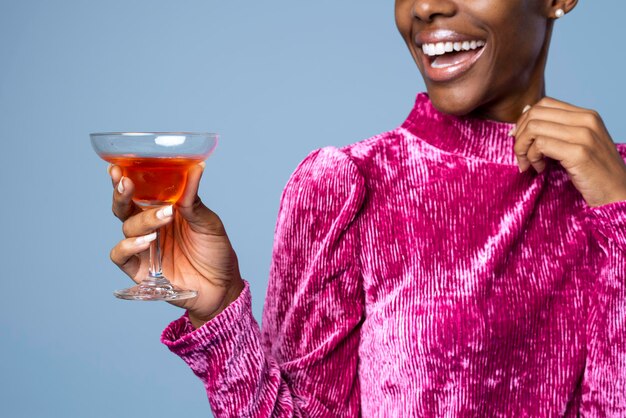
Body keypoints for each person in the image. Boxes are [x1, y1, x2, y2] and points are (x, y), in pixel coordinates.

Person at [106, 0, 626, 416]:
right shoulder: (350, 187)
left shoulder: (614, 186)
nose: (424, 8)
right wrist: (218, 309)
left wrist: (619, 213)